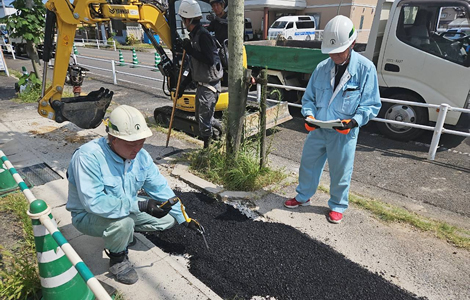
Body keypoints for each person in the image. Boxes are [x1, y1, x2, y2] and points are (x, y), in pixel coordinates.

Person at [66, 104, 204, 285]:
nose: (138, 148)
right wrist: (141, 205)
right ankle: (118, 259)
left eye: (141, 142)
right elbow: (94, 202)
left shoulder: (141, 156)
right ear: (113, 138)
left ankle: (123, 235)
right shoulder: (88, 157)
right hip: (87, 215)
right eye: (132, 144)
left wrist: (184, 217)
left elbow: (160, 187)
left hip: (125, 206)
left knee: (168, 218)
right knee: (124, 222)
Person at [284, 15, 381, 224]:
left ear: (352, 44)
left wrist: (354, 122)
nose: (335, 55)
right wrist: (308, 116)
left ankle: (337, 205)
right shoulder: (321, 68)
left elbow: (371, 104)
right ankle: (303, 197)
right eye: (331, 51)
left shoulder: (365, 69)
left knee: (341, 171)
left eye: (339, 51)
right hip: (318, 128)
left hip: (343, 132)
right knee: (308, 164)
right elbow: (309, 98)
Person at [179, 0, 224, 148]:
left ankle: (207, 152)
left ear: (187, 19)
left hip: (209, 86)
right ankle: (222, 129)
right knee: (201, 118)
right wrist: (183, 85)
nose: (183, 22)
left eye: (183, 19)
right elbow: (195, 66)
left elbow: (209, 60)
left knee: (204, 122)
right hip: (201, 84)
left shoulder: (203, 36)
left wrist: (191, 50)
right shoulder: (195, 35)